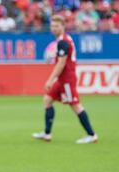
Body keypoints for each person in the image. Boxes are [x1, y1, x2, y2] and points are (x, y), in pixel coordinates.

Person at [33, 15, 98, 144]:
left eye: (57, 26)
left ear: (63, 27)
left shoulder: (63, 42)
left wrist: (50, 80)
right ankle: (47, 133)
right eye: (52, 26)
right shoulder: (64, 40)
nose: (53, 28)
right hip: (63, 79)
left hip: (67, 78)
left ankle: (91, 134)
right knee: (47, 100)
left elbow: (61, 63)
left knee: (75, 106)